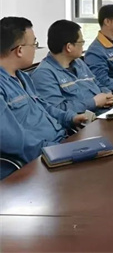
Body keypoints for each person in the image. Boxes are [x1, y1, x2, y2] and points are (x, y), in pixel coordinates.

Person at [0, 17, 87, 177]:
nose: (36, 48)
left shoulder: (22, 77)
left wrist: (71, 118)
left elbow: (43, 106)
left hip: (60, 142)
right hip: (36, 161)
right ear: (19, 50)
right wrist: (54, 149)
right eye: (34, 44)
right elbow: (13, 140)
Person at [31, 20, 113, 115]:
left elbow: (97, 83)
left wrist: (107, 94)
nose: (83, 46)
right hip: (86, 121)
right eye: (81, 42)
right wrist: (94, 102)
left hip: (107, 112)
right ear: (69, 47)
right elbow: (57, 109)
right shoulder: (43, 75)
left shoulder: (79, 62)